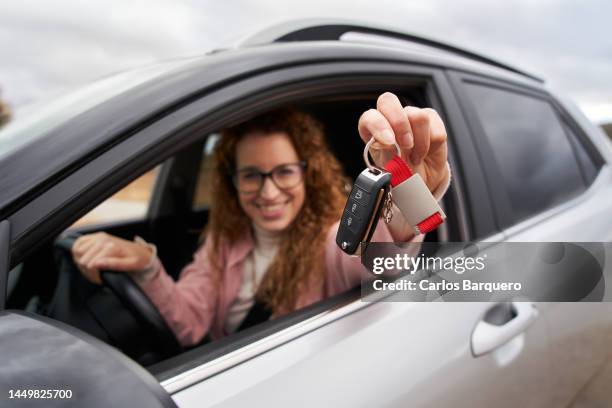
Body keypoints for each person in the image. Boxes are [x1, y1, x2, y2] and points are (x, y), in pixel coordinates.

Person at [72, 92, 450, 347]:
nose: (268, 193)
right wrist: (147, 266)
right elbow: (190, 324)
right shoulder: (223, 241)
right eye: (252, 175)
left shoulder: (333, 240)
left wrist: (408, 199)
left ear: (308, 173)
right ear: (232, 182)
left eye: (284, 172)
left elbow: (384, 261)